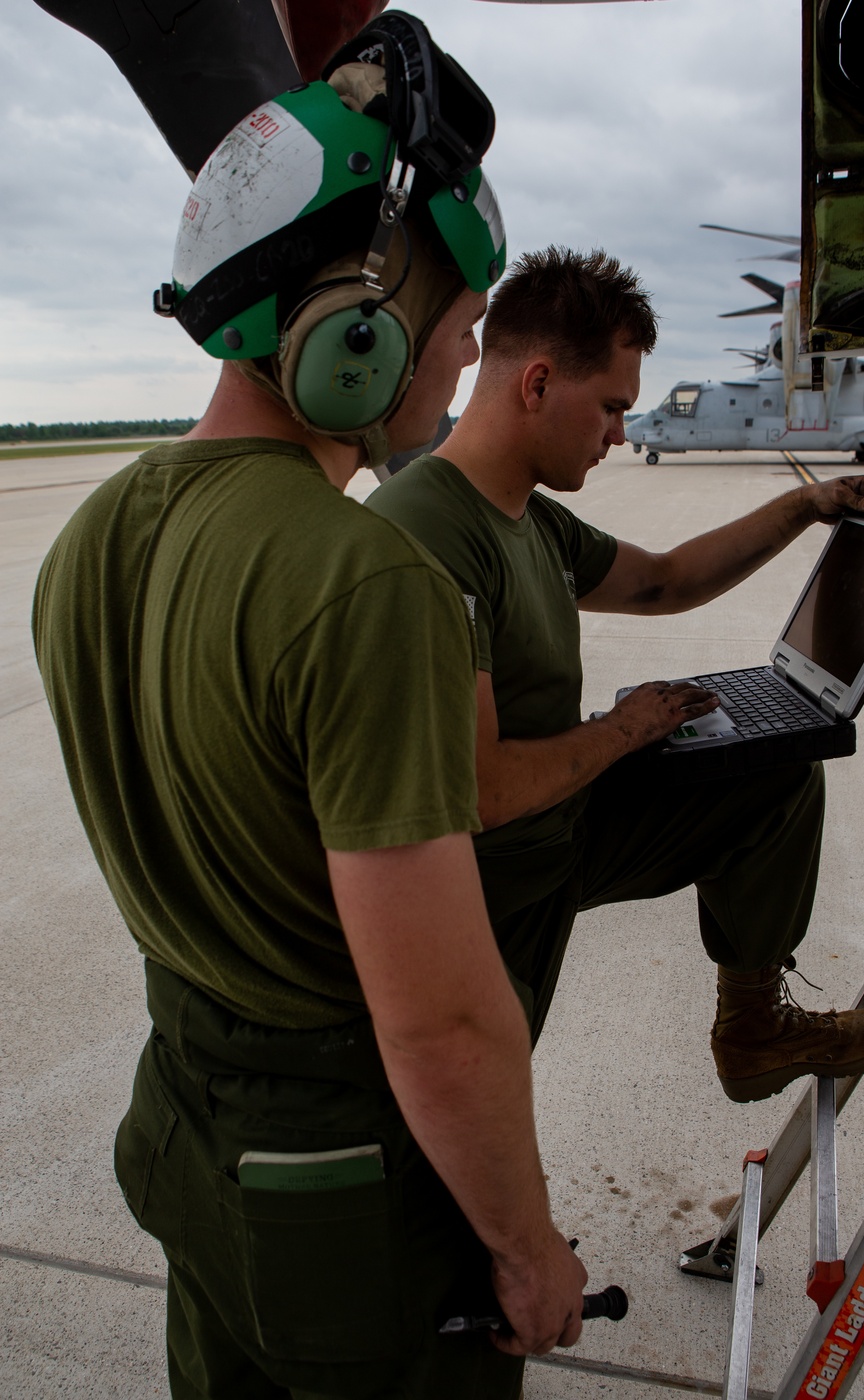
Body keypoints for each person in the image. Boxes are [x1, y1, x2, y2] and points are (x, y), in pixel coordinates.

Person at [32, 18, 586, 1399]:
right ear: (356, 325)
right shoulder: (370, 584)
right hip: (349, 1195)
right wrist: (525, 1249)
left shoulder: (87, 540)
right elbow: (441, 1024)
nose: (461, 365)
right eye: (452, 329)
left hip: (191, 1135)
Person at [366, 245, 864, 1104]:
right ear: (537, 384)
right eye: (612, 408)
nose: (621, 433)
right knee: (458, 1130)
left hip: (560, 826)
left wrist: (805, 507)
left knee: (777, 775)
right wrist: (628, 728)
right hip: (491, 884)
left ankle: (753, 1029)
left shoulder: (528, 521)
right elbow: (479, 789)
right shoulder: (432, 532)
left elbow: (665, 581)